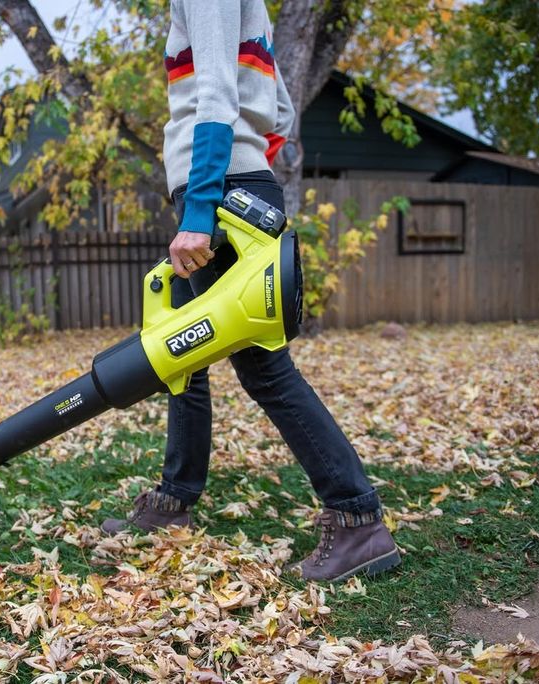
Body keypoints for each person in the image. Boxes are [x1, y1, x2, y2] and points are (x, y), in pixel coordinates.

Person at [102, 0, 400, 582]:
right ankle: (173, 500)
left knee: (263, 368)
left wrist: (205, 201)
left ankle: (357, 518)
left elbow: (214, 93)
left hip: (221, 194)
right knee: (178, 355)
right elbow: (281, 112)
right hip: (235, 187)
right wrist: (242, 173)